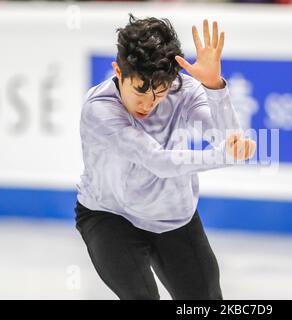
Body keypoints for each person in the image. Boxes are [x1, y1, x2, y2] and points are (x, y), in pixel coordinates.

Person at [74, 14, 256, 300]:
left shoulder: (183, 91)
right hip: (110, 216)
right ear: (118, 72)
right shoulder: (99, 110)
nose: (148, 103)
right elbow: (156, 160)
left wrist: (214, 87)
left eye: (158, 93)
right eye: (139, 90)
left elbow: (226, 139)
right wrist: (224, 156)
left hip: (173, 217)